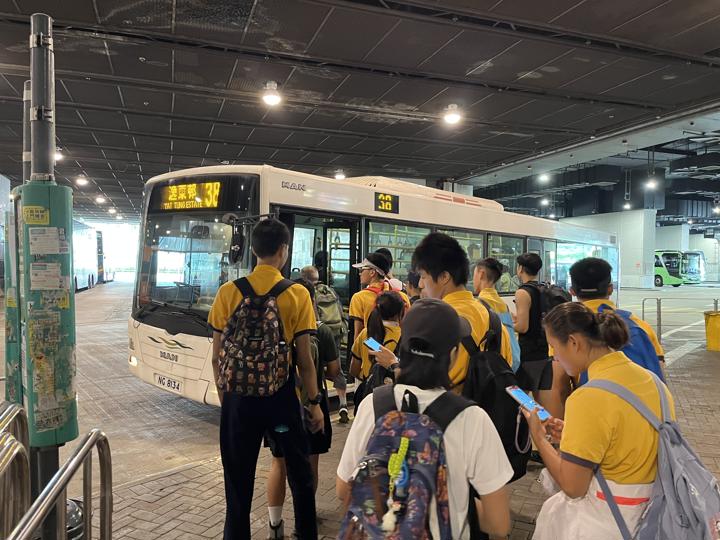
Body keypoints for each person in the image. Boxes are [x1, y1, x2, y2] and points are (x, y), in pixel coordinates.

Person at [336, 298, 513, 539]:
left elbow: (343, 488)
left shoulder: (373, 404)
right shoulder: (472, 418)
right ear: (453, 354)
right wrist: (450, 497)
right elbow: (498, 523)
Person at [208, 218, 323, 540]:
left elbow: (216, 357)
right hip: (280, 402)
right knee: (299, 476)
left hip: (238, 403)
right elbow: (305, 360)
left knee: (237, 483)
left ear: (253, 249)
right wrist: (314, 403)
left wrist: (228, 399)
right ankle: (305, 534)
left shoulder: (228, 292)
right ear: (283, 250)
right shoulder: (297, 293)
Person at [523, 302, 676, 540]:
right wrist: (575, 434)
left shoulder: (587, 397)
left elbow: (573, 487)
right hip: (658, 513)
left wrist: (539, 439)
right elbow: (626, 439)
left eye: (554, 348)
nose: (555, 358)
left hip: (610, 520)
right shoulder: (653, 382)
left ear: (573, 343)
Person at [265, 279, 340, 540]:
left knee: (278, 463)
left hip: (278, 405)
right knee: (310, 462)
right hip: (311, 405)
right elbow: (334, 371)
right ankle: (305, 520)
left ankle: (274, 525)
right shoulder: (322, 331)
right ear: (311, 300)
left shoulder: (274, 327)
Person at [410, 233, 513, 390]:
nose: (420, 284)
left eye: (423, 277)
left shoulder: (438, 322)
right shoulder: (492, 318)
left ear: (444, 276)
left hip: (449, 405)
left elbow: (425, 387)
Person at [569, 257, 665, 372]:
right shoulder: (639, 325)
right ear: (610, 289)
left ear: (572, 291)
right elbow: (659, 368)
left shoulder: (565, 327)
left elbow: (558, 379)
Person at [513, 253, 563, 417]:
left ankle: (525, 430)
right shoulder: (543, 288)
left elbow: (523, 327)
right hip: (542, 351)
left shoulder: (522, 292)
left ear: (520, 268)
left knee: (521, 399)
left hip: (527, 354)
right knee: (542, 403)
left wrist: (506, 325)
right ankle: (550, 429)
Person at [300, 265, 350, 423]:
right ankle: (343, 403)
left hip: (314, 332)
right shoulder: (330, 291)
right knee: (336, 367)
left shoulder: (303, 292)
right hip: (333, 333)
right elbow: (341, 313)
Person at [350, 291, 405, 394]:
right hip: (391, 395)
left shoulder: (366, 334)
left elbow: (353, 370)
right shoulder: (404, 336)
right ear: (401, 312)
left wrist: (369, 377)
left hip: (368, 394)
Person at [473, 258, 521, 372]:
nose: (473, 280)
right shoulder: (504, 305)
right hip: (509, 364)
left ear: (481, 274)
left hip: (492, 367)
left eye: (474, 275)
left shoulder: (478, 305)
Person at [349, 252, 410, 339]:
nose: (360, 273)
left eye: (362, 270)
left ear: (372, 272)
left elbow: (358, 335)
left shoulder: (359, 297)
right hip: (397, 344)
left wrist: (377, 346)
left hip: (371, 344)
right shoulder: (402, 296)